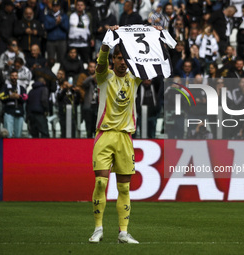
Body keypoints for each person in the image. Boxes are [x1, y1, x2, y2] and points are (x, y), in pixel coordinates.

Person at [89, 25, 144, 244]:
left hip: (125, 137)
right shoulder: (104, 76)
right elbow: (101, 62)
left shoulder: (135, 78)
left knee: (124, 187)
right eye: (118, 58)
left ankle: (123, 232)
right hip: (104, 135)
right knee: (101, 183)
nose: (122, 62)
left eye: (124, 58)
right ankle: (98, 229)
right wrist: (106, 42)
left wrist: (157, 34)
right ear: (113, 60)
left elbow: (150, 60)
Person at [0, 69, 28, 138]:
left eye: (15, 76)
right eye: (12, 76)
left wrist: (18, 97)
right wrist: (10, 96)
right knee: (8, 134)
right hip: (9, 112)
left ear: (17, 77)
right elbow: (0, 97)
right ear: (10, 77)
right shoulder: (5, 87)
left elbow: (25, 98)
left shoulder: (21, 88)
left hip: (19, 112)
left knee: (18, 135)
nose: (14, 77)